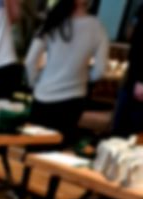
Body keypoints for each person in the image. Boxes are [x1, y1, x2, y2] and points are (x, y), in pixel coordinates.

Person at [25, 0, 108, 145]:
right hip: (73, 99)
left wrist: (35, 83)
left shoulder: (52, 21)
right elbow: (100, 70)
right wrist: (83, 78)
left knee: (35, 147)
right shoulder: (97, 27)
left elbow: (30, 61)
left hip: (43, 96)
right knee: (59, 149)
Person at [113, 5, 143, 136]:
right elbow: (130, 34)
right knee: (122, 130)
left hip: (137, 83)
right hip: (132, 78)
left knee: (129, 131)